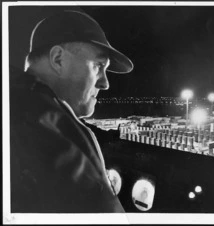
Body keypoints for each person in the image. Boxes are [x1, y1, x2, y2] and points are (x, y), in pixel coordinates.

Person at [10, 10, 133, 213]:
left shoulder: (16, 101)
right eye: (98, 65)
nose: (105, 83)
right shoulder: (52, 126)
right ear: (58, 59)